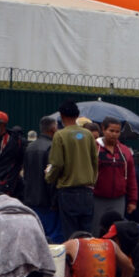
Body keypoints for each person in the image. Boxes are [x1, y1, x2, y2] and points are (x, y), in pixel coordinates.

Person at [45, 100, 99, 240]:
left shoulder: (60, 135)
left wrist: (49, 177)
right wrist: (92, 181)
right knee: (87, 234)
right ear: (77, 115)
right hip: (87, 192)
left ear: (61, 116)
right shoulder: (87, 134)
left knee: (71, 235)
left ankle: (74, 261)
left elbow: (57, 163)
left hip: (68, 192)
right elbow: (95, 161)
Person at [92, 117, 137, 237]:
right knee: (97, 230)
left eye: (117, 132)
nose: (114, 134)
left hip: (118, 199)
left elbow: (131, 177)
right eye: (111, 131)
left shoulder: (125, 151)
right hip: (97, 198)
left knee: (116, 231)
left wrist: (133, 200)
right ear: (103, 129)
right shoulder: (94, 148)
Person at [23, 116, 60, 242]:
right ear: (54, 128)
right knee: (51, 239)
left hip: (31, 200)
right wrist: (55, 201)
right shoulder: (52, 148)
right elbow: (51, 176)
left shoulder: (30, 147)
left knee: (35, 236)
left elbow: (26, 174)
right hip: (47, 201)